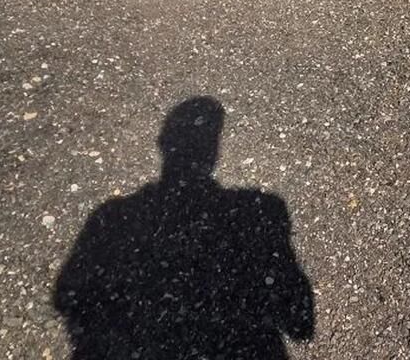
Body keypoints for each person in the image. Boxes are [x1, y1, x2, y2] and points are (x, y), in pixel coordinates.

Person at [54, 97, 314, 359]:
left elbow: (66, 297)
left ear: (163, 143)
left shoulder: (111, 216)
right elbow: (300, 326)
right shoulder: (262, 210)